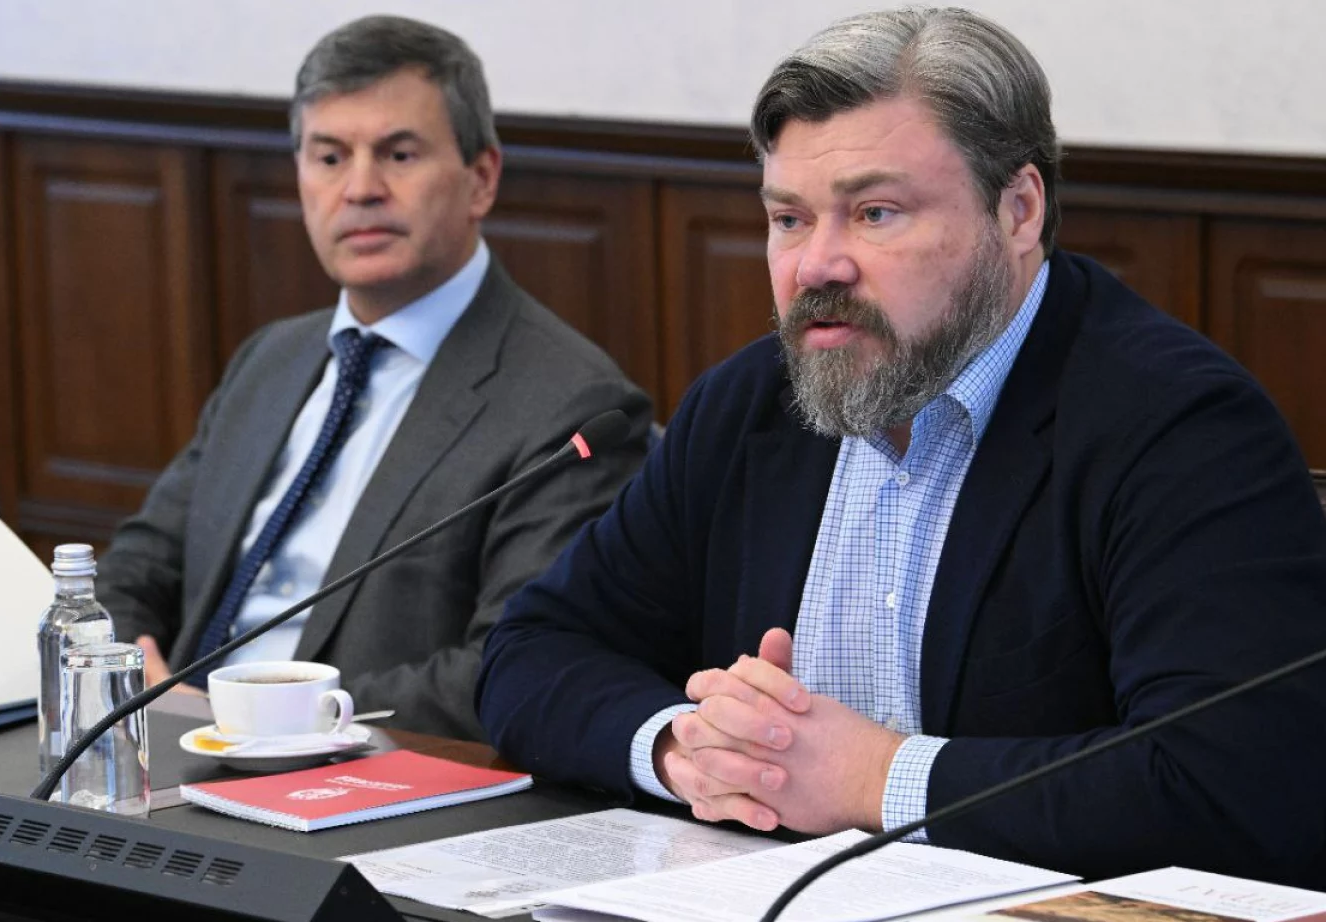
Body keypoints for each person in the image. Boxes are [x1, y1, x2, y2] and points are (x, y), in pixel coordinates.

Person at [478, 6, 1326, 886]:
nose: (817, 266)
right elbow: (534, 650)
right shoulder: (748, 405)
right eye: (789, 219)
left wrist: (874, 779)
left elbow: (1235, 784)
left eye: (874, 213)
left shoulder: (1180, 426)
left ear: (1019, 210)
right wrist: (689, 750)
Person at [97, 15, 651, 741]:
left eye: (399, 154)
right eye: (330, 157)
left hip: (354, 769)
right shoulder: (271, 359)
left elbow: (511, 663)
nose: (360, 189)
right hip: (171, 744)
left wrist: (262, 718)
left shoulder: (569, 404)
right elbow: (139, 563)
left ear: (481, 178)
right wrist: (122, 664)